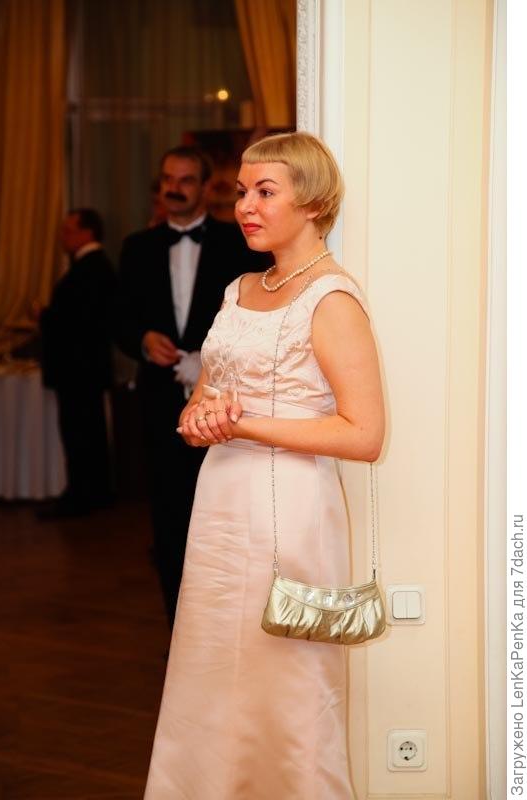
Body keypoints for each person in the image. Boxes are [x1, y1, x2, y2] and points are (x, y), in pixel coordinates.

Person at [143, 131, 386, 798]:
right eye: (242, 191)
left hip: (292, 513)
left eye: (265, 192)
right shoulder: (238, 289)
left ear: (313, 203)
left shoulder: (331, 298)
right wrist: (199, 417)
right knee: (211, 670)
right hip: (219, 505)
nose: (246, 206)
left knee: (286, 681)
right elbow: (207, 395)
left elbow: (365, 435)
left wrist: (240, 424)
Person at [114, 145, 269, 629]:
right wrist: (142, 340)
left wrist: (212, 359)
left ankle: (228, 625)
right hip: (160, 404)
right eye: (168, 179)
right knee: (168, 519)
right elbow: (118, 319)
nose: (174, 188)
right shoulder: (137, 247)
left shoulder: (239, 243)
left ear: (205, 188)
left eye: (185, 180)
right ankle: (178, 628)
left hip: (227, 407)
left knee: (227, 517)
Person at [37, 208, 116, 518]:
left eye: (68, 230)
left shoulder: (90, 268)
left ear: (87, 232)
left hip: (78, 370)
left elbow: (79, 321)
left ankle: (83, 495)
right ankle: (91, 492)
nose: (63, 237)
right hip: (84, 370)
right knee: (87, 431)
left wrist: (45, 316)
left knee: (81, 434)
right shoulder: (92, 266)